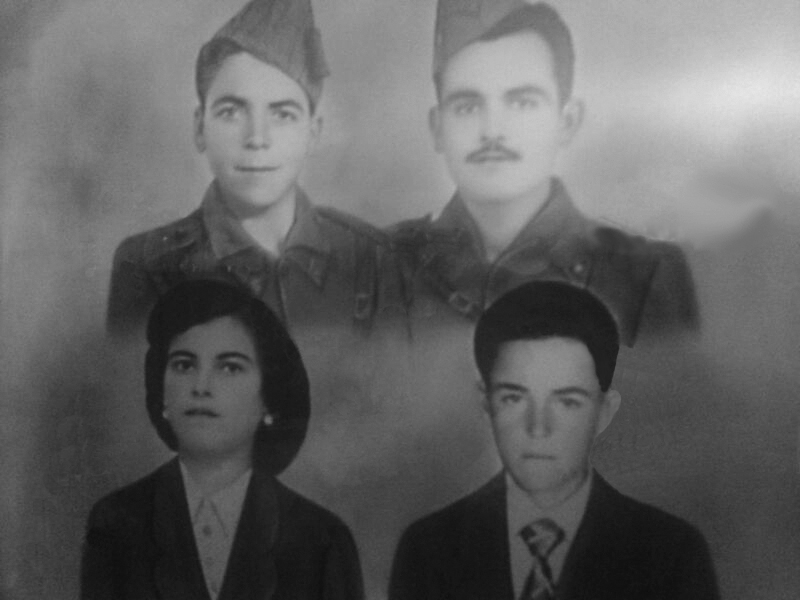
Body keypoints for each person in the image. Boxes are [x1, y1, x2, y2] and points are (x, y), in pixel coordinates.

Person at [390, 0, 697, 345]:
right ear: (437, 129)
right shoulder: (381, 265)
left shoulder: (643, 277)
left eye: (522, 103)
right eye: (467, 107)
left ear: (567, 122)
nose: (492, 131)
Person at [389, 281, 719, 600]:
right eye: (513, 398)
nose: (538, 428)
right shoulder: (428, 550)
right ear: (486, 404)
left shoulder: (672, 555)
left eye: (567, 402)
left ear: (604, 412)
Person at [107, 0, 397, 336]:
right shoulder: (150, 266)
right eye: (231, 112)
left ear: (313, 133)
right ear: (200, 128)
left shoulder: (370, 258)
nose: (257, 138)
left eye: (283, 114)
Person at [82, 279, 364, 599]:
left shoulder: (322, 539)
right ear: (162, 392)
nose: (201, 386)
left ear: (268, 397)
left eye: (229, 368)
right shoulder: (115, 524)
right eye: (184, 365)